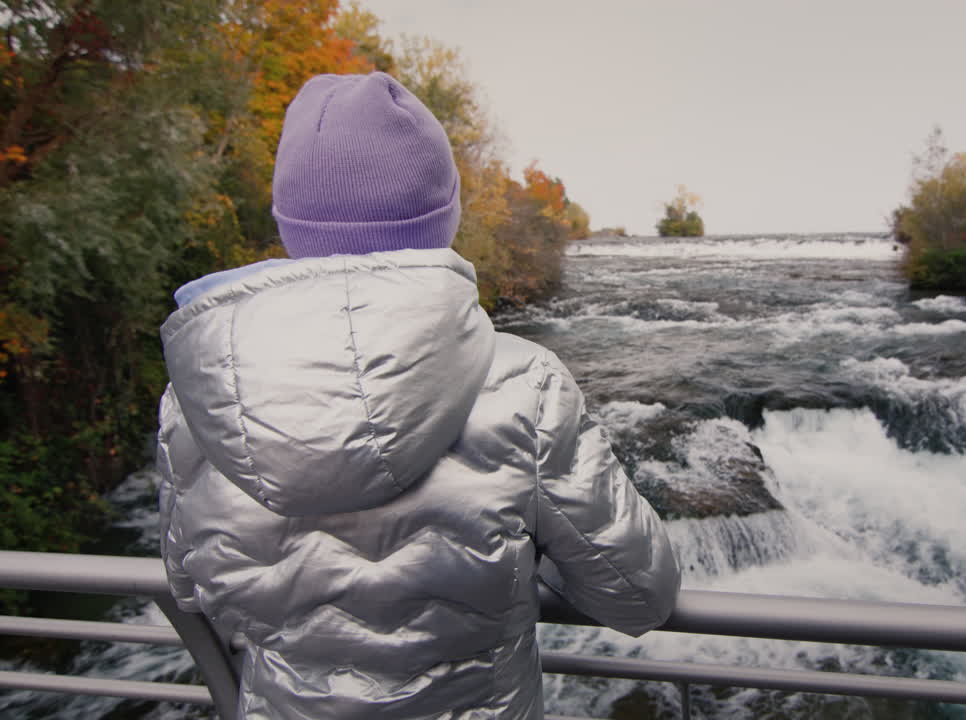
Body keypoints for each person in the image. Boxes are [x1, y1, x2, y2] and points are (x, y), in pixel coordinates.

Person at [155, 72, 681, 720]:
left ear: (288, 223)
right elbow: (639, 595)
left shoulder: (197, 398)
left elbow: (188, 583)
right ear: (445, 217)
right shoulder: (525, 384)